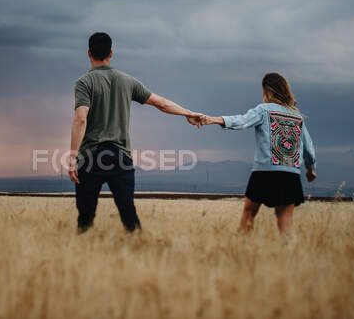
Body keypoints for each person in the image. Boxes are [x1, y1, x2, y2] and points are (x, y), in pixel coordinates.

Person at [69, 32, 201, 233]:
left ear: (89, 53)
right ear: (111, 53)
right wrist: (188, 113)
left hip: (90, 157)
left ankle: (81, 257)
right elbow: (161, 103)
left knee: (85, 218)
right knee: (129, 215)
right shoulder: (127, 81)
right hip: (120, 156)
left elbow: (80, 119)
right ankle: (139, 252)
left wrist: (72, 157)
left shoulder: (84, 82)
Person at [197, 72, 316, 233]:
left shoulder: (263, 110)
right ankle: (289, 254)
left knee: (249, 213)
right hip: (290, 173)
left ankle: (243, 249)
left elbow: (242, 121)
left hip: (265, 171)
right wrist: (310, 168)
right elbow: (308, 146)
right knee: (285, 222)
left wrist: (214, 119)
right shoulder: (297, 116)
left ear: (267, 90)